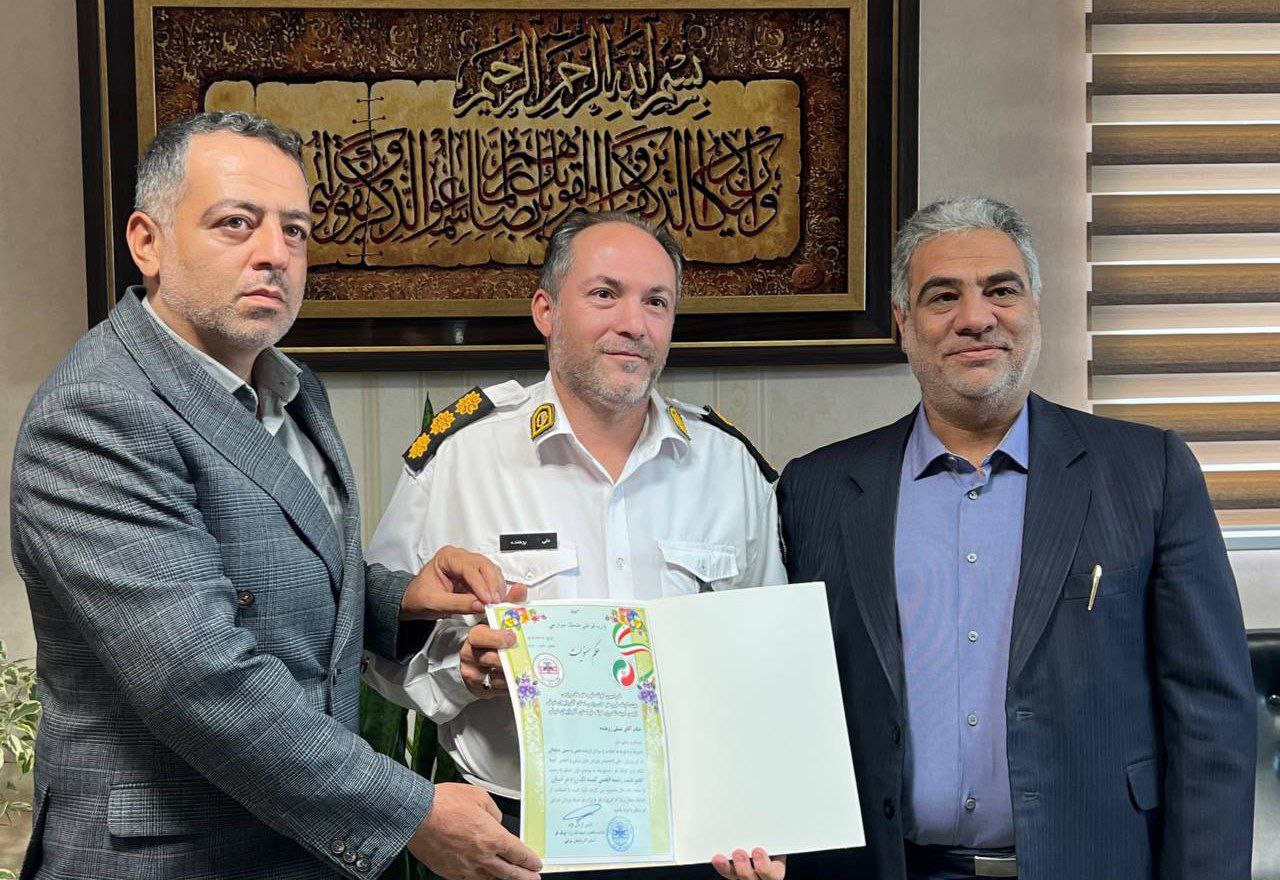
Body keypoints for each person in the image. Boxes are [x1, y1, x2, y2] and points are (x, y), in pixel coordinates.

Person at [9, 111, 542, 880]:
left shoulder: (289, 386)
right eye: (237, 223)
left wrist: (397, 600)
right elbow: (198, 677)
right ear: (147, 243)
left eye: (295, 230)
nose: (275, 254)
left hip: (293, 850)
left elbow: (263, 572)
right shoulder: (98, 412)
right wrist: (410, 811)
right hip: (174, 861)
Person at [778, 197, 1255, 880]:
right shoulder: (817, 488)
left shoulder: (1148, 471)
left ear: (1035, 310)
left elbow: (1211, 717)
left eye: (1002, 290)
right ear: (904, 325)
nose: (976, 317)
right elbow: (790, 705)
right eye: (943, 296)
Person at [365, 209, 787, 880]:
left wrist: (771, 814)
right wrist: (460, 677)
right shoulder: (461, 457)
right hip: (512, 838)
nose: (634, 323)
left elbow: (772, 665)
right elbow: (378, 645)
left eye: (657, 302)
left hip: (698, 839)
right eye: (605, 294)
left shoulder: (728, 464)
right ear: (546, 310)